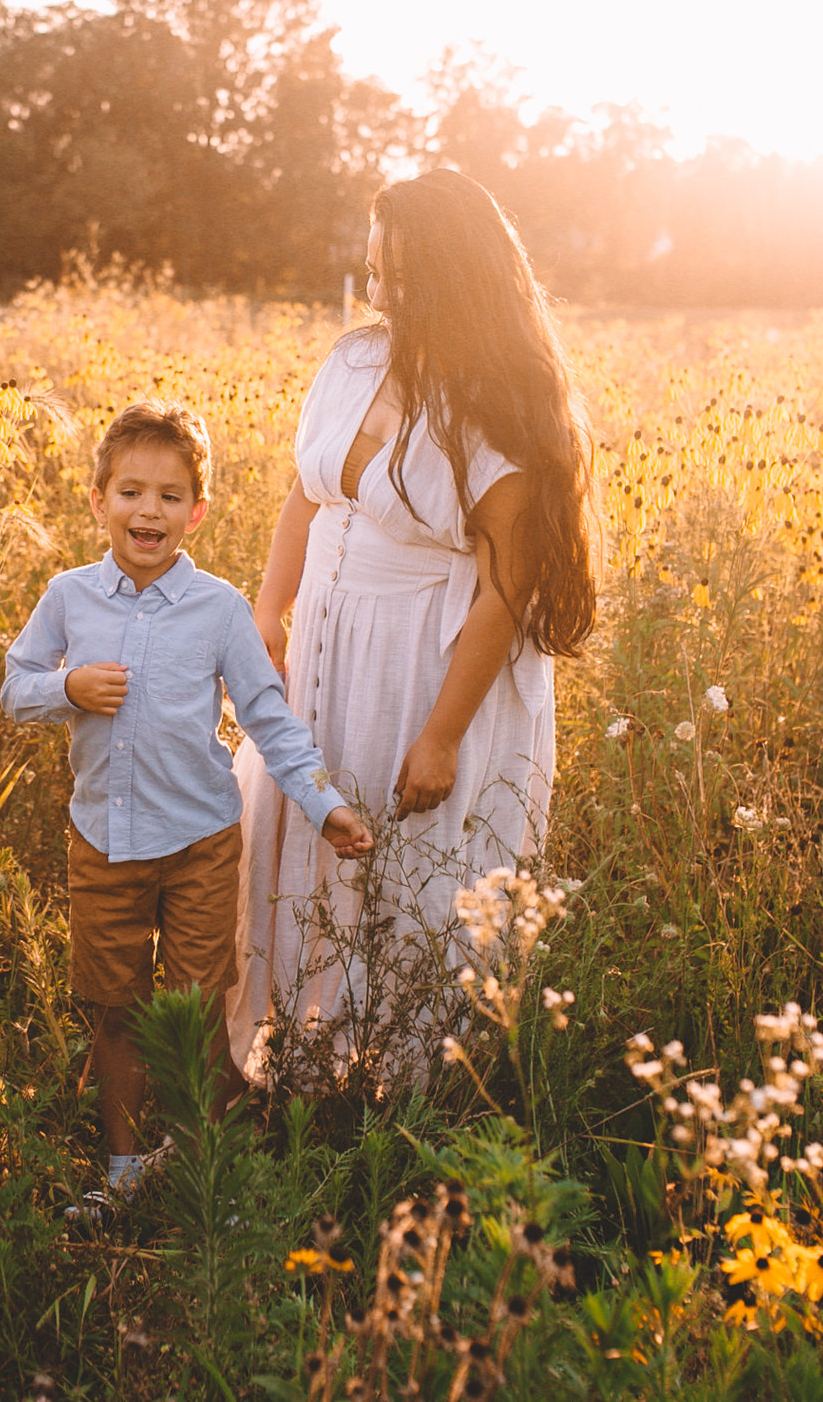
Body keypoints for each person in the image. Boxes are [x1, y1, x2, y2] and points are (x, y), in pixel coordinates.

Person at [230, 169, 597, 1085]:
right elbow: (304, 496)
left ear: (450, 277)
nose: (378, 292)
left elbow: (506, 597)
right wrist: (267, 613)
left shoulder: (500, 414)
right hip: (325, 640)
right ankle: (296, 1068)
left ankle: (409, 1098)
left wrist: (440, 734)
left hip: (424, 660)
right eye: (372, 269)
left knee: (409, 872)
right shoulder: (353, 362)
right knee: (301, 834)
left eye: (397, 274)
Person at [2, 400, 373, 1202]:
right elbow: (14, 687)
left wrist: (323, 803)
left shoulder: (220, 610)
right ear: (98, 499)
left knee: (201, 1005)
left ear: (197, 512)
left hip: (201, 842)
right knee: (113, 1006)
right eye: (131, 491)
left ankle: (208, 1166)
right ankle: (126, 1170)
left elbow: (269, 717)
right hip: (102, 843)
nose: (149, 510)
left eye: (171, 496)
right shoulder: (69, 597)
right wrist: (67, 685)